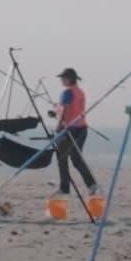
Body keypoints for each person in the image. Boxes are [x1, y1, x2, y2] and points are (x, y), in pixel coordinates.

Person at [52, 68, 98, 198]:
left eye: (63, 78)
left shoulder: (67, 92)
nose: (61, 80)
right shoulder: (80, 92)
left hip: (69, 129)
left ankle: (64, 187)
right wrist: (56, 109)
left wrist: (58, 127)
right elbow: (70, 109)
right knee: (76, 159)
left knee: (62, 157)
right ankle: (91, 184)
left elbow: (65, 112)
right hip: (82, 128)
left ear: (69, 79)